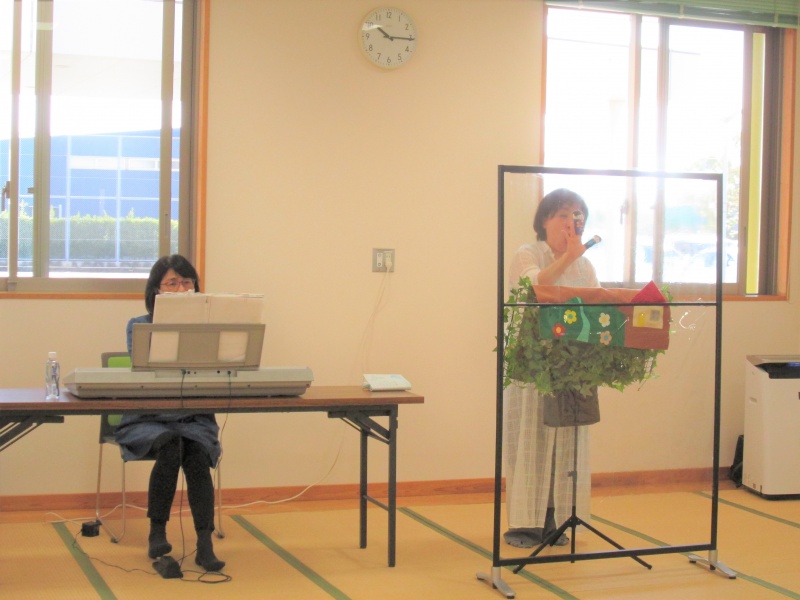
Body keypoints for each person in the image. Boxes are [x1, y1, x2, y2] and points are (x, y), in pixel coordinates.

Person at [114, 254, 225, 572]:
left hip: (194, 417)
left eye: (187, 282)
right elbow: (145, 371)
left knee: (196, 453)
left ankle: (204, 543)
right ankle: (157, 532)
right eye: (172, 283)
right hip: (148, 416)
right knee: (171, 445)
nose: (181, 289)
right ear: (156, 290)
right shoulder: (139, 325)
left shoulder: (210, 327)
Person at [503, 188, 599, 549]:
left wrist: (576, 258)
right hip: (533, 365)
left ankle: (556, 521)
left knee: (566, 445)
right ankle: (525, 525)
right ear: (544, 221)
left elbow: (598, 308)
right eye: (563, 215)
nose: (572, 222)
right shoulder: (527, 253)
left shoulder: (585, 266)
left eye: (578, 215)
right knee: (531, 440)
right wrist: (568, 256)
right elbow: (535, 285)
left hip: (573, 367)